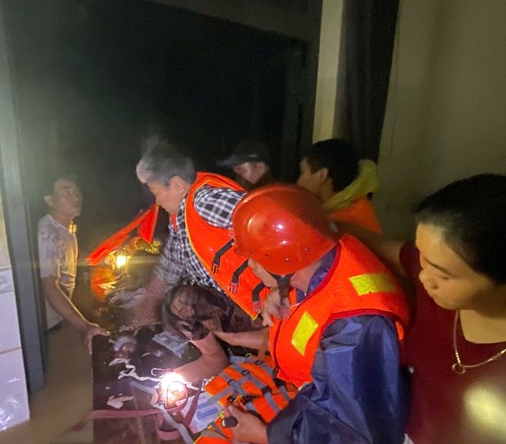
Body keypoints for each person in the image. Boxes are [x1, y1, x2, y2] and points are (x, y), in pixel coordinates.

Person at [215, 184, 410, 443]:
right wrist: (282, 288)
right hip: (313, 392)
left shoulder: (354, 325)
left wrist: (264, 435)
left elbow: (351, 431)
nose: (250, 265)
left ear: (283, 258)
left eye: (255, 257)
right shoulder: (326, 255)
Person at [339, 174, 506, 443]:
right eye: (422, 257)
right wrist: (321, 223)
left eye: (443, 275)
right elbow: (381, 246)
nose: (423, 276)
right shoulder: (437, 288)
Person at [115, 142, 266, 383]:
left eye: (156, 193)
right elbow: (169, 267)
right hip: (234, 300)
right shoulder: (180, 219)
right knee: (174, 306)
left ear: (176, 184)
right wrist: (144, 306)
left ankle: (227, 353)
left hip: (261, 304)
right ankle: (217, 356)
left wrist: (280, 288)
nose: (157, 203)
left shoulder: (205, 200)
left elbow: (267, 221)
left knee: (181, 302)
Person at [38, 175, 107, 354]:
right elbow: (50, 286)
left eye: (77, 192)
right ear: (49, 200)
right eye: (66, 192)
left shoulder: (65, 227)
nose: (75, 197)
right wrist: (84, 326)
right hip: (48, 324)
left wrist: (103, 258)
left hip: (62, 317)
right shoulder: (47, 233)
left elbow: (68, 256)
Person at [297, 138, 382, 233]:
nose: (299, 182)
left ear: (322, 175)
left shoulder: (337, 226)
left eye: (302, 172)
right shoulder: (357, 205)